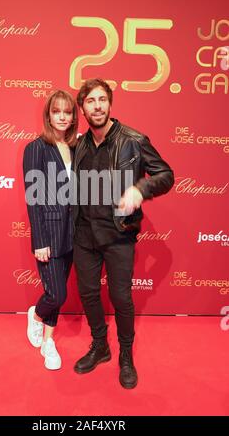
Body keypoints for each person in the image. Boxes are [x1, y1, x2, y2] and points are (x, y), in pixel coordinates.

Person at [72, 78, 174, 388]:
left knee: (120, 298)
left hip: (119, 234)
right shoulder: (80, 145)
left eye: (102, 99)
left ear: (110, 103)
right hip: (84, 234)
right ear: (83, 108)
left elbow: (166, 175)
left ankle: (126, 355)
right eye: (91, 101)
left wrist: (141, 189)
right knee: (89, 295)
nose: (98, 106)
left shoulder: (133, 139)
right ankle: (100, 345)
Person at [23, 90, 78, 370]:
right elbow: (34, 198)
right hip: (50, 232)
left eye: (67, 112)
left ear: (73, 116)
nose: (62, 117)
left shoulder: (77, 147)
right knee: (56, 294)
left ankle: (48, 342)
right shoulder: (36, 148)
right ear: (48, 115)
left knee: (60, 290)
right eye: (57, 111)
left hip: (74, 233)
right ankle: (35, 316)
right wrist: (40, 240)